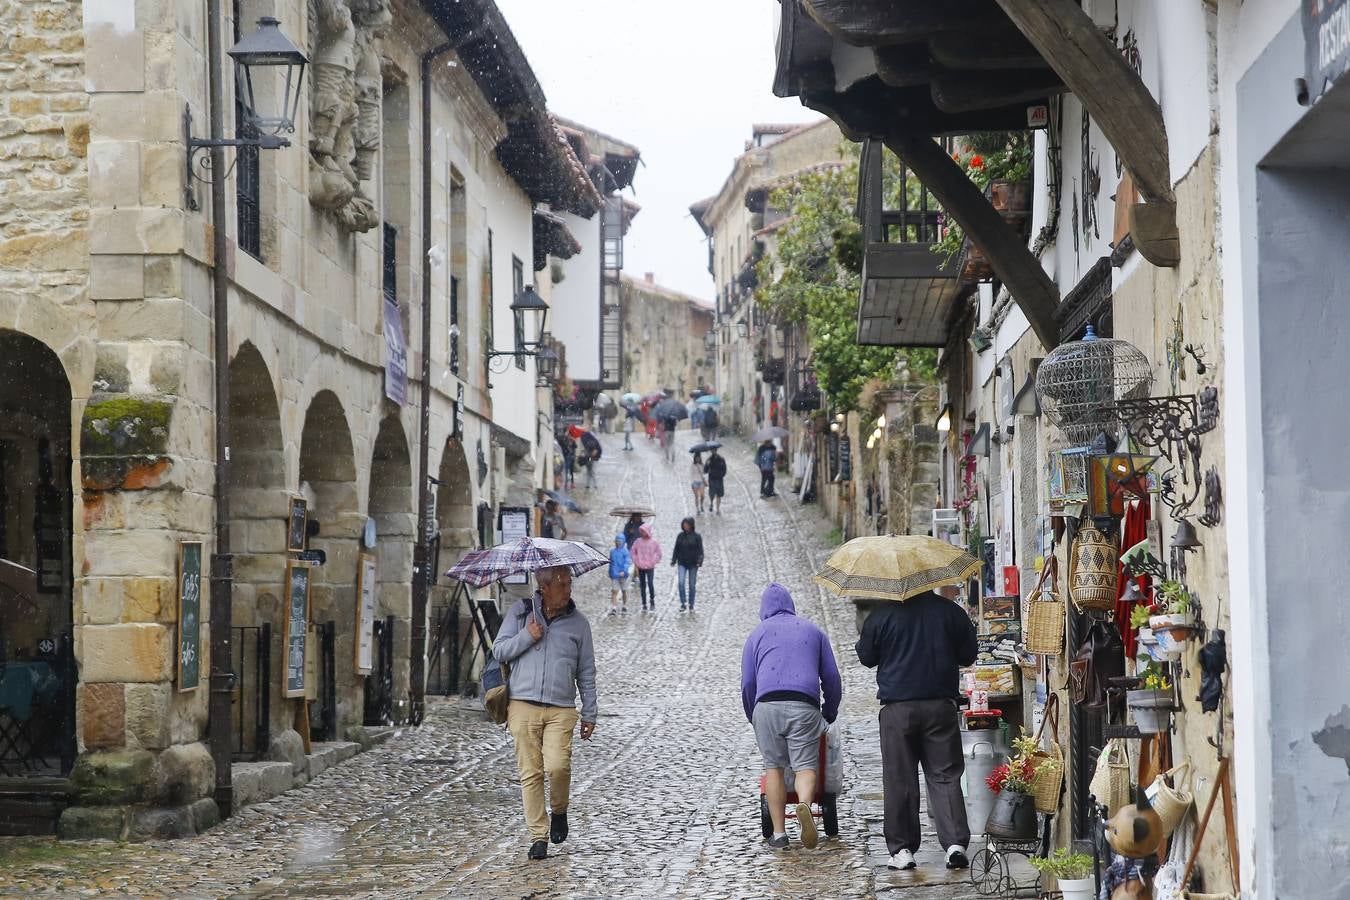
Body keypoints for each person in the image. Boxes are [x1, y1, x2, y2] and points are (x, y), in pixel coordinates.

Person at [855, 586, 978, 872]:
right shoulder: (950, 612)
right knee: (945, 775)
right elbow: (968, 654)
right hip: (940, 706)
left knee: (900, 779)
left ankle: (902, 849)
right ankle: (955, 845)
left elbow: (867, 657)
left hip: (897, 709)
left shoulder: (881, 615)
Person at [492, 566, 597, 861]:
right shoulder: (521, 612)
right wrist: (527, 635)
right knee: (530, 772)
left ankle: (559, 810)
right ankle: (538, 835)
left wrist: (590, 712)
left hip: (561, 708)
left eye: (569, 583)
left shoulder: (579, 624)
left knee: (557, 766)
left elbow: (586, 671)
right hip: (522, 704)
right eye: (562, 584)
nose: (568, 589)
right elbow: (499, 651)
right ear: (544, 587)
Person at [741, 583, 842, 851]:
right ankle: (805, 807)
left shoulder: (756, 635)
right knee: (806, 766)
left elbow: (748, 683)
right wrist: (828, 711)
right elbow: (831, 678)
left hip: (766, 706)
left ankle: (779, 834)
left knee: (773, 768)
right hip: (804, 704)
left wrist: (754, 715)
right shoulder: (813, 630)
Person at [669, 516, 703, 611]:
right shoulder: (680, 536)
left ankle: (691, 604)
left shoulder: (697, 537)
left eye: (687, 525)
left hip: (693, 563)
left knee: (692, 585)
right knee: (681, 582)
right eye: (684, 525)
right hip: (682, 562)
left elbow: (700, 550)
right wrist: (673, 559)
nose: (685, 526)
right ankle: (683, 603)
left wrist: (700, 561)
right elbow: (676, 549)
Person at [629, 523, 662, 612]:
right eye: (642, 531)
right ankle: (644, 603)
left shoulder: (654, 542)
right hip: (641, 567)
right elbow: (633, 552)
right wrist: (636, 560)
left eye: (644, 531)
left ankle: (652, 600)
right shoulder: (638, 541)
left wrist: (653, 561)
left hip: (650, 567)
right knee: (642, 585)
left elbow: (659, 553)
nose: (643, 533)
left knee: (650, 583)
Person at [607, 534, 631, 615]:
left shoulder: (625, 552)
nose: (618, 542)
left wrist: (624, 571)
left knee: (624, 591)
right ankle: (614, 607)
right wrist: (610, 572)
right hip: (614, 575)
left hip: (623, 575)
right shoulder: (612, 552)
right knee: (614, 591)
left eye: (620, 541)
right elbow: (611, 563)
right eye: (617, 541)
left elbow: (627, 562)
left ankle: (624, 605)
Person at [704, 449, 727, 516]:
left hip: (719, 479)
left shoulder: (721, 459)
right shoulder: (709, 459)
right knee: (712, 494)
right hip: (712, 479)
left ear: (716, 450)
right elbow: (705, 470)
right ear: (711, 451)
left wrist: (721, 474)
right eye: (712, 450)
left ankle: (717, 509)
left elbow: (724, 469)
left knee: (719, 495)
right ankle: (711, 503)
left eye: (714, 450)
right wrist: (707, 465)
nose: (713, 451)